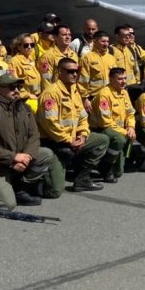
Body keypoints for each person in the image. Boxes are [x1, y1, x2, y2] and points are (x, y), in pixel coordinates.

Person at [0, 74, 57, 206]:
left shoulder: (25, 108)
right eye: (12, 87)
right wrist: (13, 157)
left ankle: (20, 187)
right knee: (7, 204)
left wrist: (27, 156)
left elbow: (34, 135)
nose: (17, 90)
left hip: (21, 159)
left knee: (46, 154)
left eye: (19, 87)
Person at [35, 58, 106, 192]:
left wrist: (83, 135)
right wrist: (69, 140)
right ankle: (38, 180)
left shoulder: (74, 90)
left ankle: (82, 179)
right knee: (55, 191)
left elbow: (83, 117)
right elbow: (49, 123)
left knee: (101, 140)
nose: (74, 74)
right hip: (53, 142)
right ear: (59, 72)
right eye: (70, 71)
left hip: (72, 139)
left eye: (76, 71)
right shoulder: (51, 93)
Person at [90, 67, 136, 181]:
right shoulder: (104, 95)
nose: (124, 81)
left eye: (125, 78)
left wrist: (131, 127)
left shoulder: (124, 92)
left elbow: (130, 113)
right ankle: (105, 166)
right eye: (120, 79)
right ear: (111, 79)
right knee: (120, 139)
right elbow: (105, 122)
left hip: (117, 130)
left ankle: (114, 161)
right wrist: (126, 132)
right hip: (100, 129)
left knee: (119, 172)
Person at [78, 31, 116, 104]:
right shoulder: (86, 58)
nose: (106, 44)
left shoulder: (111, 58)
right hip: (94, 97)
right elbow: (82, 81)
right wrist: (84, 99)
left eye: (107, 41)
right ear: (95, 41)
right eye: (103, 41)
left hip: (110, 95)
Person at [9, 33, 43, 104]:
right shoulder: (14, 61)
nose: (29, 47)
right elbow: (13, 82)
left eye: (32, 45)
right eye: (26, 45)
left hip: (36, 96)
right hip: (25, 100)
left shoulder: (32, 60)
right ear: (19, 47)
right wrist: (27, 95)